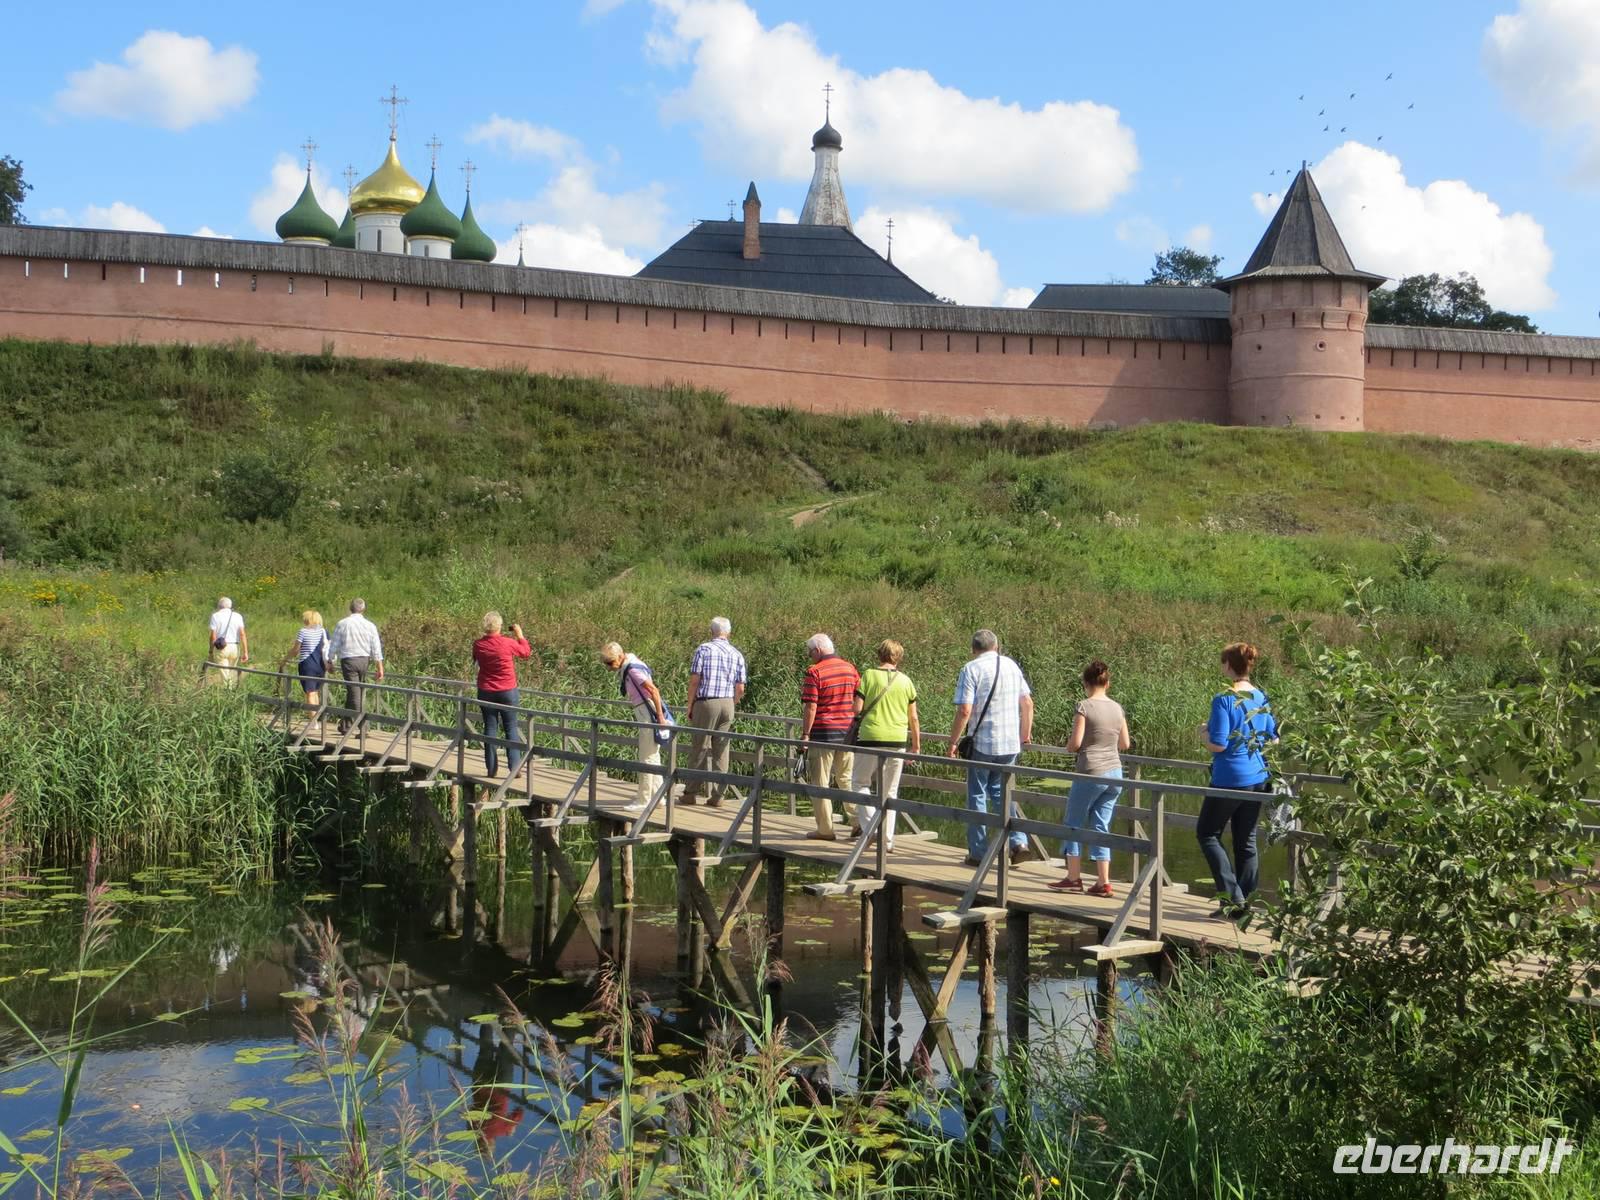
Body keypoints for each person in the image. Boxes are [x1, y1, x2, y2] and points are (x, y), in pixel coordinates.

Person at [1197, 641, 1280, 919]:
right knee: (1246, 840)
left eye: (1223, 662)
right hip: (1258, 777)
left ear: (1230, 665)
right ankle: (1243, 905)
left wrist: (1203, 735)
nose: (1222, 666)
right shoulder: (1261, 697)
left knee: (1207, 834)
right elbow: (1274, 738)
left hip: (1230, 777)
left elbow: (1219, 745)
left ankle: (1232, 897)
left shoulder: (1224, 699)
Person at [947, 629, 1033, 867]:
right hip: (1010, 745)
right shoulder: (1012, 666)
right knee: (1002, 793)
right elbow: (1027, 702)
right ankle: (1019, 843)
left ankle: (979, 852)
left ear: (974, 649)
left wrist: (953, 742)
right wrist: (1024, 734)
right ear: (996, 646)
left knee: (977, 794)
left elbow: (965, 710)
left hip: (984, 743)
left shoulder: (971, 669)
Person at [1049, 660, 1129, 897]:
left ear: (1085, 683)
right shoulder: (1117, 708)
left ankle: (1073, 878)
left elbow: (1074, 744)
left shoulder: (1084, 706)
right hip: (1115, 773)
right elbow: (1124, 743)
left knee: (1073, 822)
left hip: (1091, 771)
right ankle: (1103, 882)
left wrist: (1072, 746)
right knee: (1100, 826)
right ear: (1108, 683)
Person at [848, 639, 920, 853]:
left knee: (859, 782)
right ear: (898, 657)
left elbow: (856, 709)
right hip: (897, 739)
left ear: (880, 654)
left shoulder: (869, 675)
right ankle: (887, 841)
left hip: (870, 736)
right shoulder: (906, 681)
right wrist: (915, 746)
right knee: (890, 791)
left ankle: (871, 828)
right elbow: (913, 718)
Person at [680, 617, 747, 807]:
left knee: (700, 746)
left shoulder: (704, 649)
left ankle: (690, 793)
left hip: (707, 702)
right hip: (728, 704)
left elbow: (695, 680)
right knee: (722, 750)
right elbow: (740, 688)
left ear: (711, 631)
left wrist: (690, 705)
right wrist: (732, 702)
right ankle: (718, 795)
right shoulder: (737, 654)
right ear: (729, 632)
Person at [800, 634, 861, 840]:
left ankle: (825, 830)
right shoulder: (850, 668)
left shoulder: (814, 671)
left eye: (810, 653)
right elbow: (858, 699)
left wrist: (805, 735)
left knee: (820, 782)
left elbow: (811, 706)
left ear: (817, 650)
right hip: (847, 733)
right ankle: (857, 821)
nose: (810, 657)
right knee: (846, 778)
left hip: (823, 733)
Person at [601, 641, 670, 808]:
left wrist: (660, 716)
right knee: (653, 756)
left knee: (646, 757)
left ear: (619, 656)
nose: (609, 667)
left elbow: (653, 690)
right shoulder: (632, 665)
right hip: (646, 710)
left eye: (611, 663)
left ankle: (643, 799)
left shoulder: (632, 669)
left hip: (646, 712)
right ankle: (659, 797)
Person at [473, 612, 530, 778]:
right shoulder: (507, 642)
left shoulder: (478, 644)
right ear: (499, 626)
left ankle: (491, 769)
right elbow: (525, 652)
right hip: (507, 691)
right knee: (511, 728)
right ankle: (514, 769)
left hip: (486, 691)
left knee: (490, 728)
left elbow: (476, 660)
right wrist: (520, 635)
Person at [328, 599, 384, 733]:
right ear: (363, 609)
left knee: (354, 693)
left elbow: (334, 644)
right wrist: (379, 667)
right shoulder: (370, 625)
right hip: (364, 661)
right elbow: (376, 647)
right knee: (354, 692)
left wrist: (330, 661)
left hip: (349, 661)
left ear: (350, 608)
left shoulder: (343, 624)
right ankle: (346, 725)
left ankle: (363, 727)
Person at [285, 610, 330, 709]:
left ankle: (314, 722)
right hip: (321, 665)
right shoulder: (324, 632)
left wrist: (285, 659)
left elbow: (295, 650)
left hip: (307, 665)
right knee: (315, 692)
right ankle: (317, 719)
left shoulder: (303, 631)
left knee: (310, 693)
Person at [205, 596, 248, 687]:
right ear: (230, 606)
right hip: (235, 648)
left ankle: (228, 695)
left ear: (219, 606)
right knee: (231, 673)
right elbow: (242, 634)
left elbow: (213, 636)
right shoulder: (238, 616)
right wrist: (245, 652)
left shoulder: (216, 616)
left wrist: (211, 651)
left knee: (225, 675)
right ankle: (232, 692)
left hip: (221, 647)